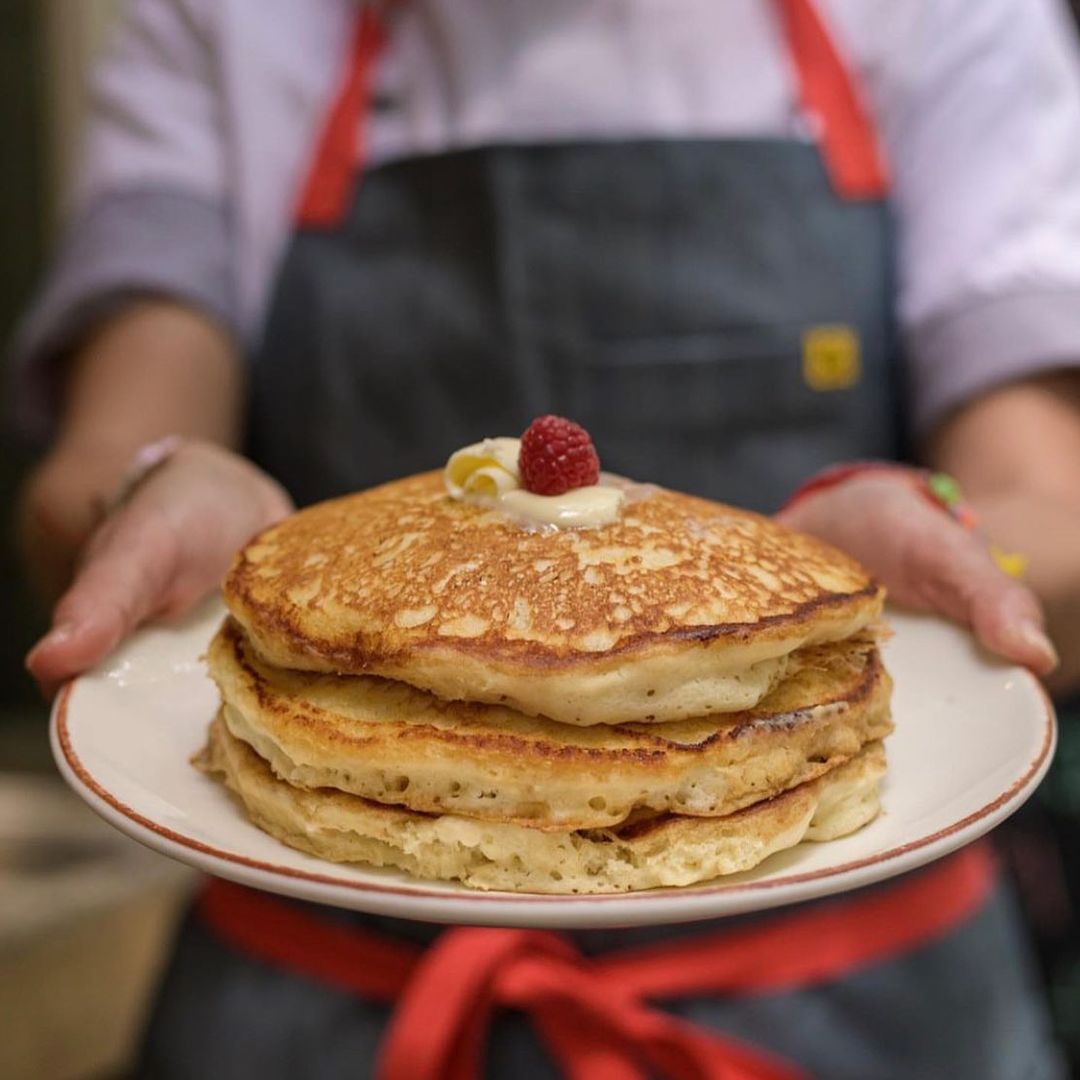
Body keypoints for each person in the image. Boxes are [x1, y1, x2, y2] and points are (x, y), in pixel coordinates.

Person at [11, 0, 1080, 1074]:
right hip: (316, 999)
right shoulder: (224, 19)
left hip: (862, 1007)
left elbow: (1054, 513)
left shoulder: (942, 14)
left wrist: (951, 530)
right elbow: (100, 471)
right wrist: (151, 485)